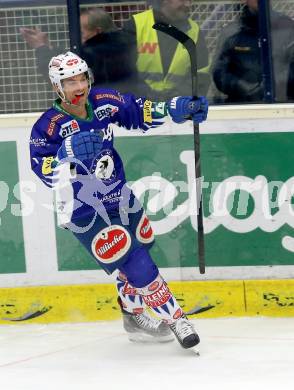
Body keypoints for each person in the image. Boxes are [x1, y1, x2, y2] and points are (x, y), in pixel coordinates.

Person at [29, 51, 208, 349]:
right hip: (85, 211)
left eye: (82, 77)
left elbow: (139, 111)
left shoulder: (102, 101)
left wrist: (178, 108)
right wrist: (66, 159)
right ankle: (176, 318)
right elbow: (42, 167)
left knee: (142, 248)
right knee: (137, 263)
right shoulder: (48, 126)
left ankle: (133, 315)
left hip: (120, 196)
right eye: (69, 81)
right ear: (56, 87)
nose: (78, 85)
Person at [20, 8, 138, 92]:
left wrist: (40, 47)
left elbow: (58, 75)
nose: (78, 37)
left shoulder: (99, 52)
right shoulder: (121, 44)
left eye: (81, 32)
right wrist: (48, 46)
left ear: (97, 32)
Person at [123, 0, 210, 101]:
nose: (188, 4)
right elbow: (123, 70)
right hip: (139, 105)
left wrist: (176, 97)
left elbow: (201, 75)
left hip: (177, 107)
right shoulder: (136, 24)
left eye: (190, 0)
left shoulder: (194, 31)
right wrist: (147, 95)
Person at [211, 0, 294, 103]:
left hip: (281, 106)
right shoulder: (231, 33)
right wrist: (241, 85)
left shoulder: (287, 28)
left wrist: (272, 84)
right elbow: (219, 72)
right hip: (241, 106)